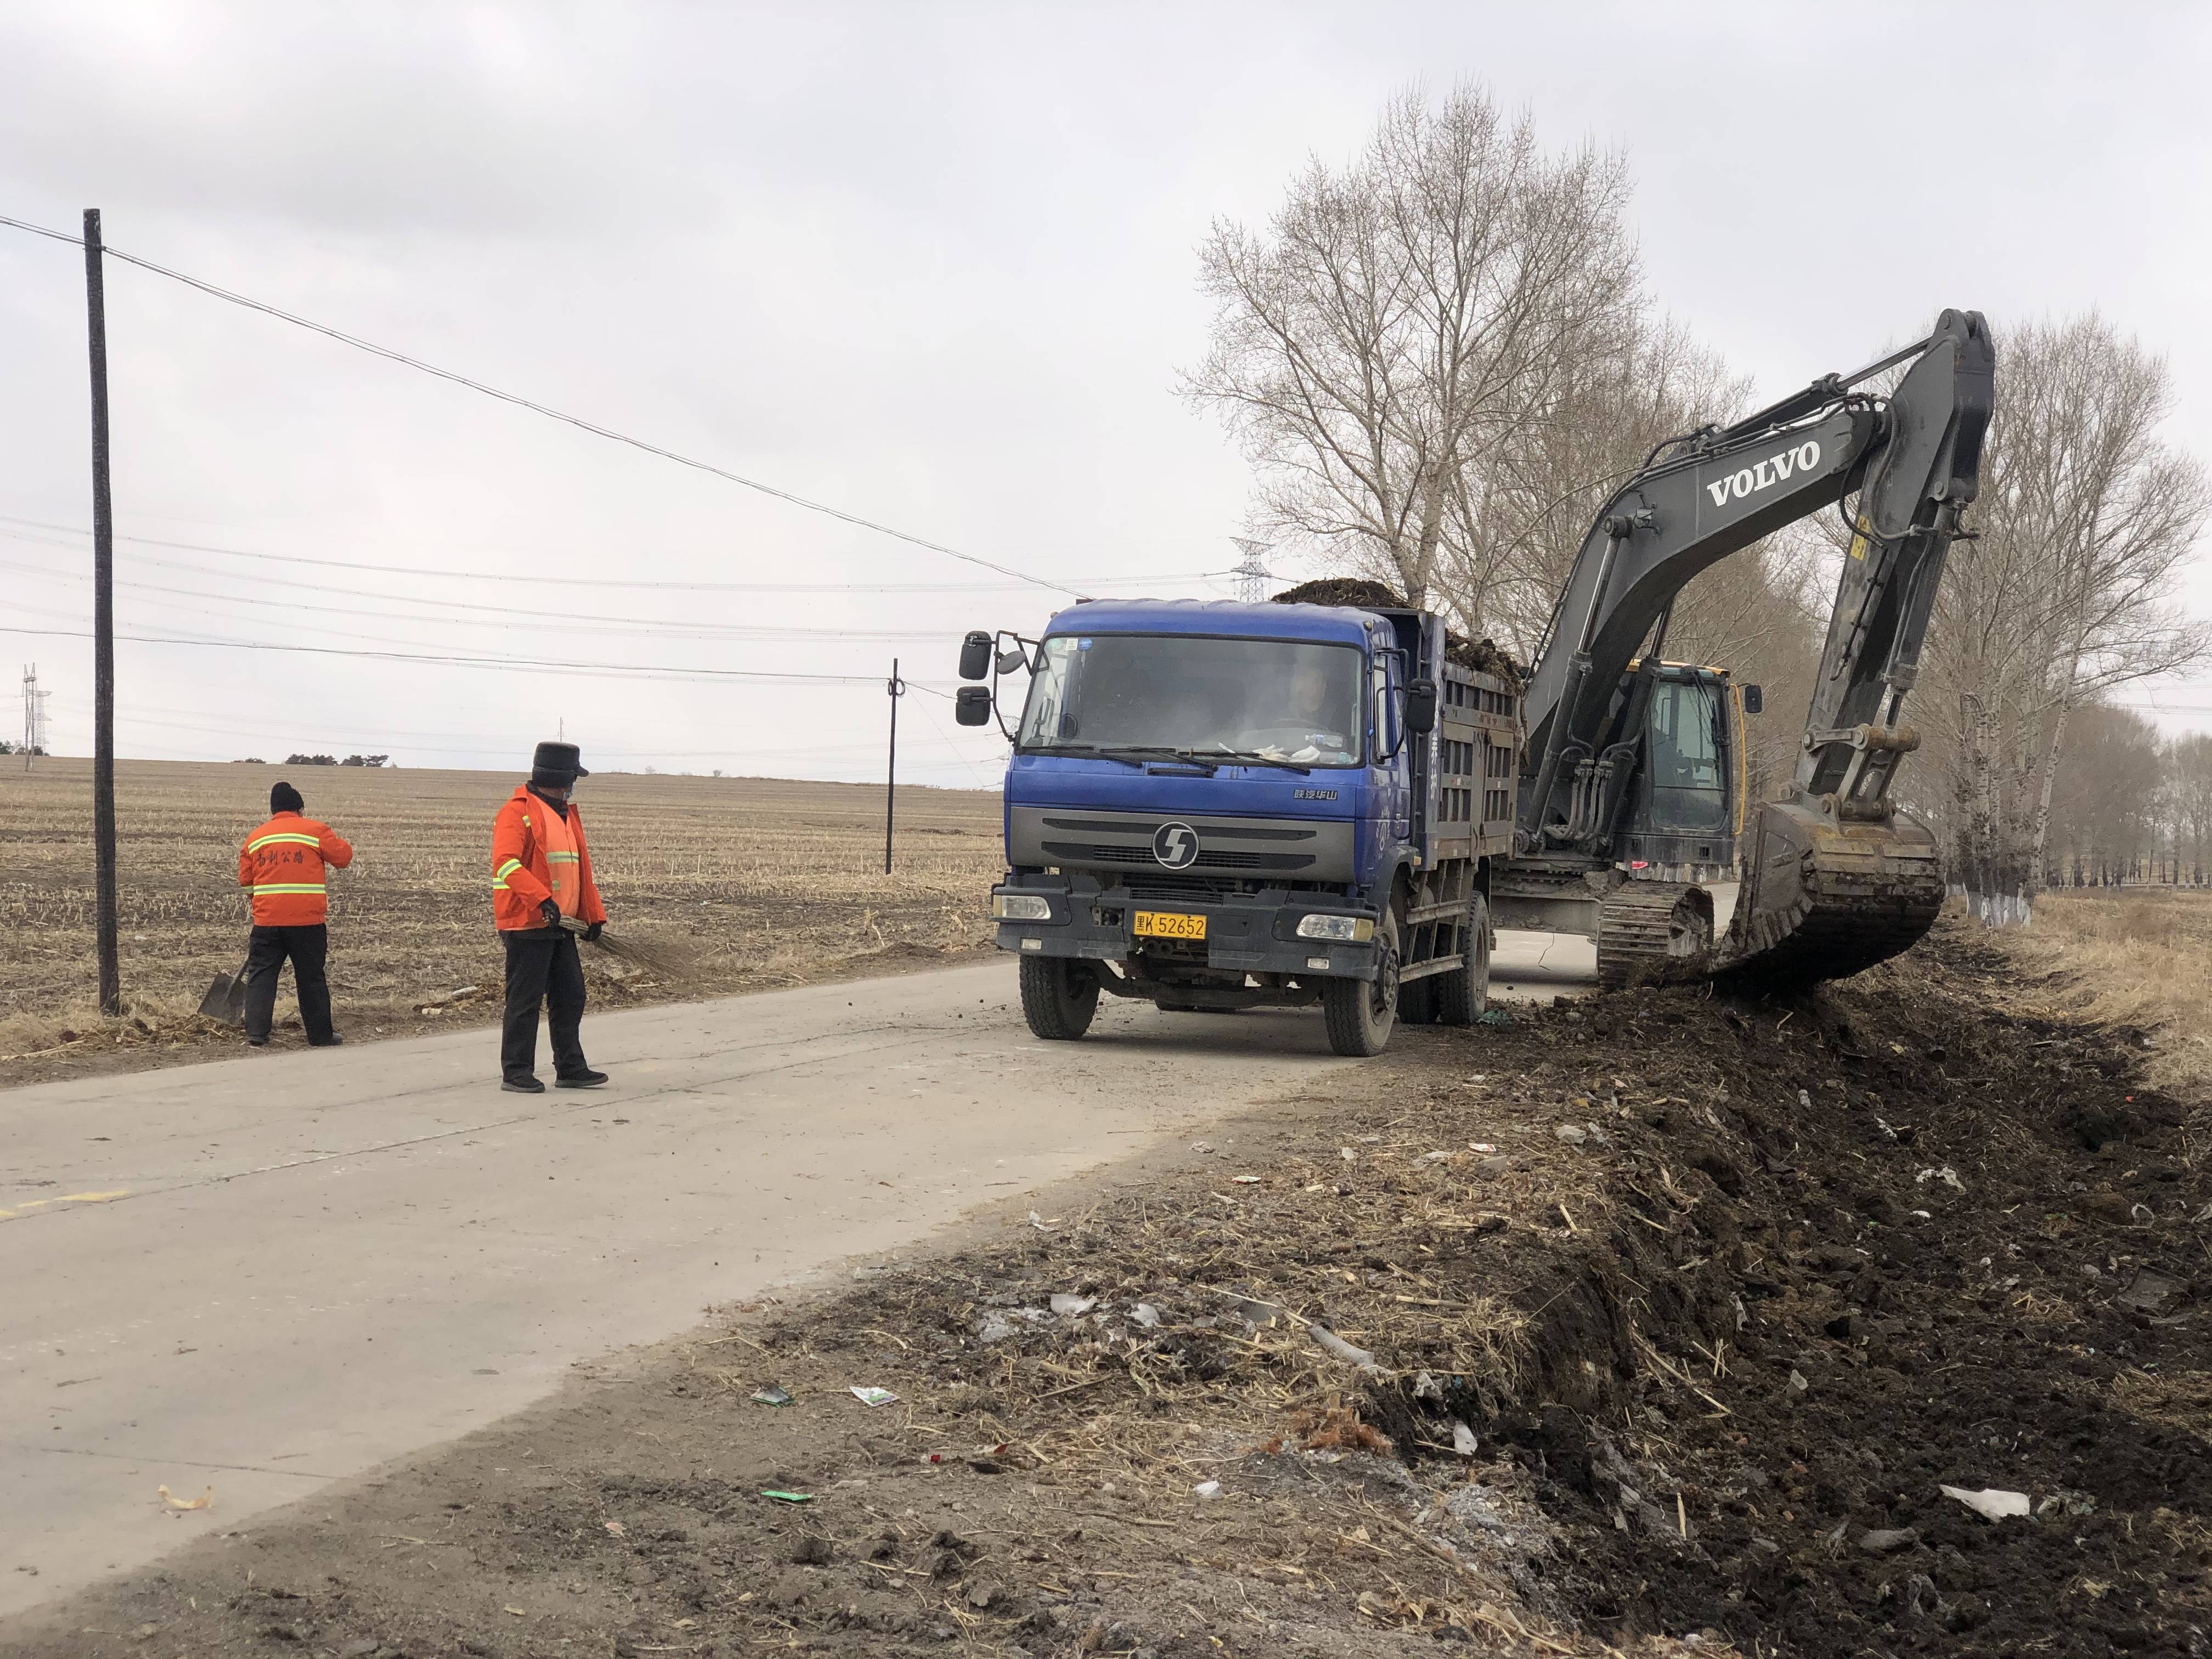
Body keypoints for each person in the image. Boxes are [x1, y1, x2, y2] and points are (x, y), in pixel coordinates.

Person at [491, 741, 609, 1093]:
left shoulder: (565, 814)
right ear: (562, 777)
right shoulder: (517, 812)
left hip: (561, 925)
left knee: (571, 997)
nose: (575, 783)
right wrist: (541, 900)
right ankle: (516, 1072)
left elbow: (579, 872)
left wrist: (592, 916)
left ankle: (571, 1069)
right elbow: (506, 864)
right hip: (527, 921)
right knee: (525, 1002)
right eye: (574, 776)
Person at [236, 781, 354, 1048]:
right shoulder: (315, 830)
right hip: (307, 922)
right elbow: (344, 859)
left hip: (266, 921)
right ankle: (320, 1036)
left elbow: (246, 880)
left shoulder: (256, 838)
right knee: (311, 977)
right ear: (300, 808)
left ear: (272, 810)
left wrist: (261, 902)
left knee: (262, 975)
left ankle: (256, 1034)